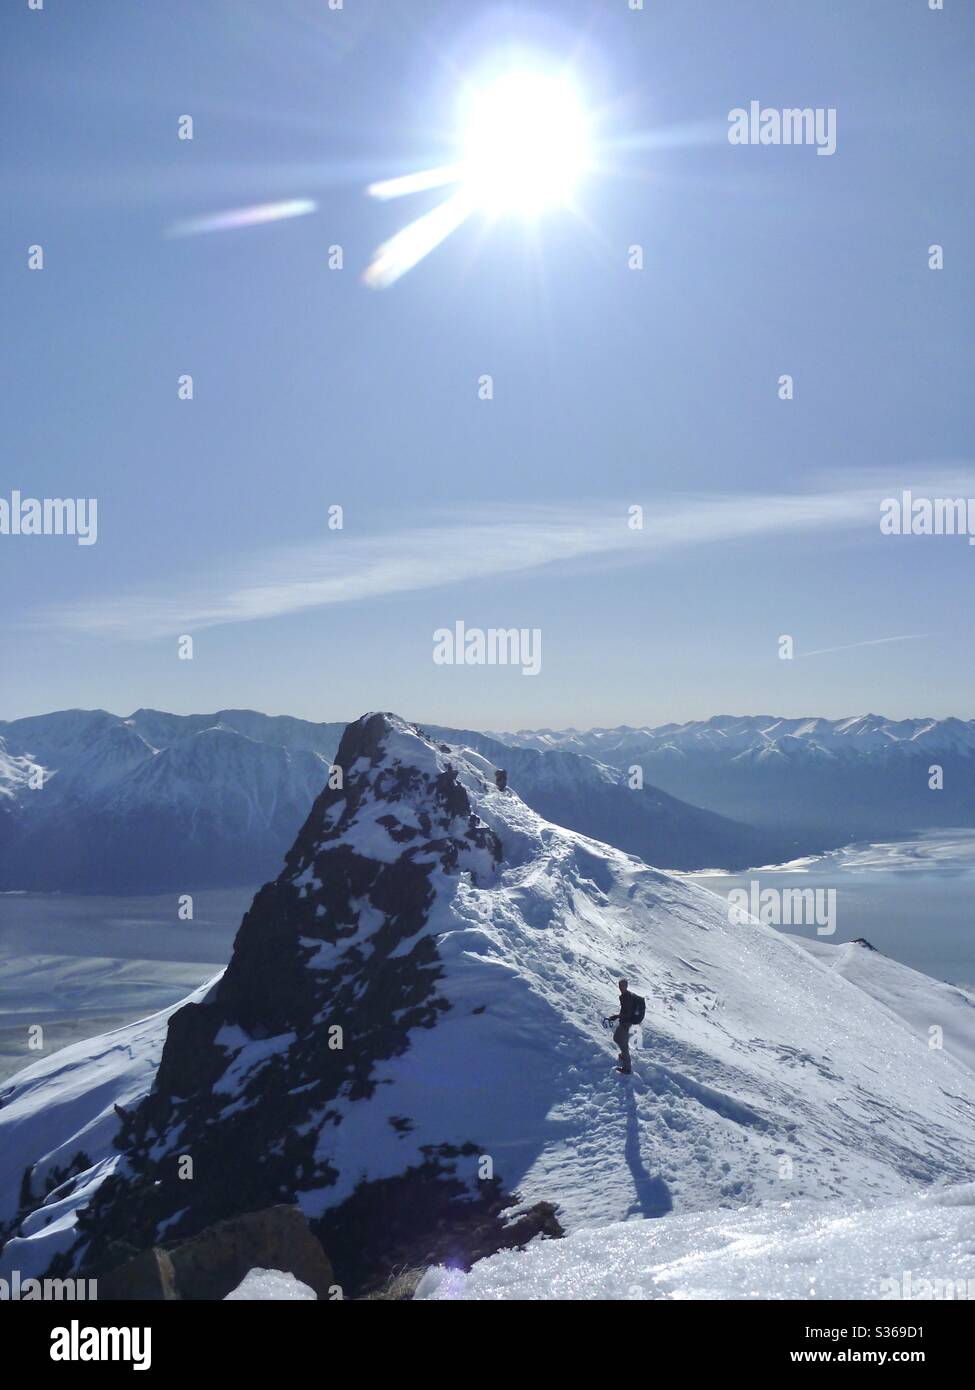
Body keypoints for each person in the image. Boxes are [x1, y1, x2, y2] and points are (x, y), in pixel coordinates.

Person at [605, 978, 640, 1074]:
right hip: (624, 1021)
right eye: (620, 985)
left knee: (623, 1044)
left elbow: (628, 1014)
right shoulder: (624, 996)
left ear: (626, 986)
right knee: (617, 1038)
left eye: (623, 986)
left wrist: (616, 1016)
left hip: (626, 1022)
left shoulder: (627, 997)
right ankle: (624, 1056)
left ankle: (627, 1068)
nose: (620, 987)